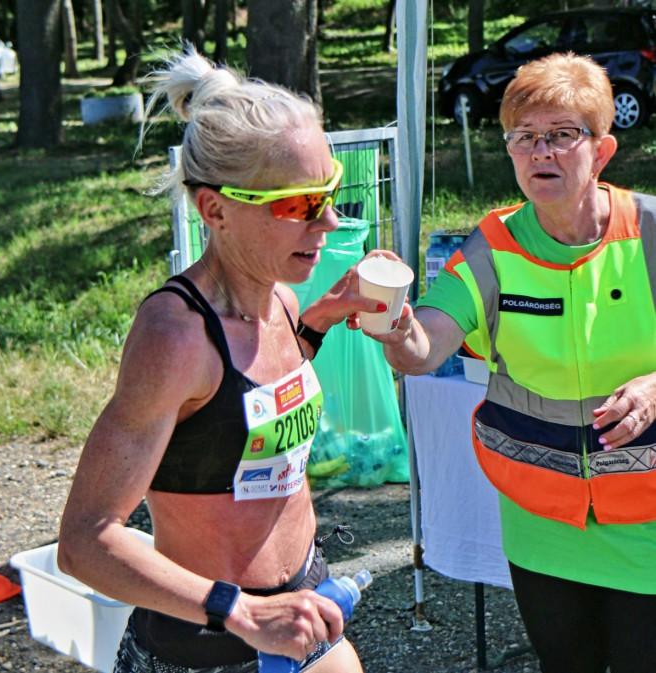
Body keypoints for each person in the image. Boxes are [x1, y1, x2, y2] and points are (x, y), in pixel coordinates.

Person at [58, 46, 390, 673]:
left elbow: (246, 405)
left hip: (305, 606)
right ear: (215, 210)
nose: (330, 222)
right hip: (207, 643)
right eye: (298, 204)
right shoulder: (175, 336)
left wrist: (318, 321)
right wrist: (242, 612)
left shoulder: (284, 299)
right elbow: (84, 540)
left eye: (331, 191)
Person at [374, 52, 656, 673]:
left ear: (602, 150)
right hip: (542, 525)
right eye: (524, 138)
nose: (541, 153)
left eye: (561, 135)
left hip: (650, 523)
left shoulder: (651, 230)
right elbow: (426, 348)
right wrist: (391, 324)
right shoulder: (493, 245)